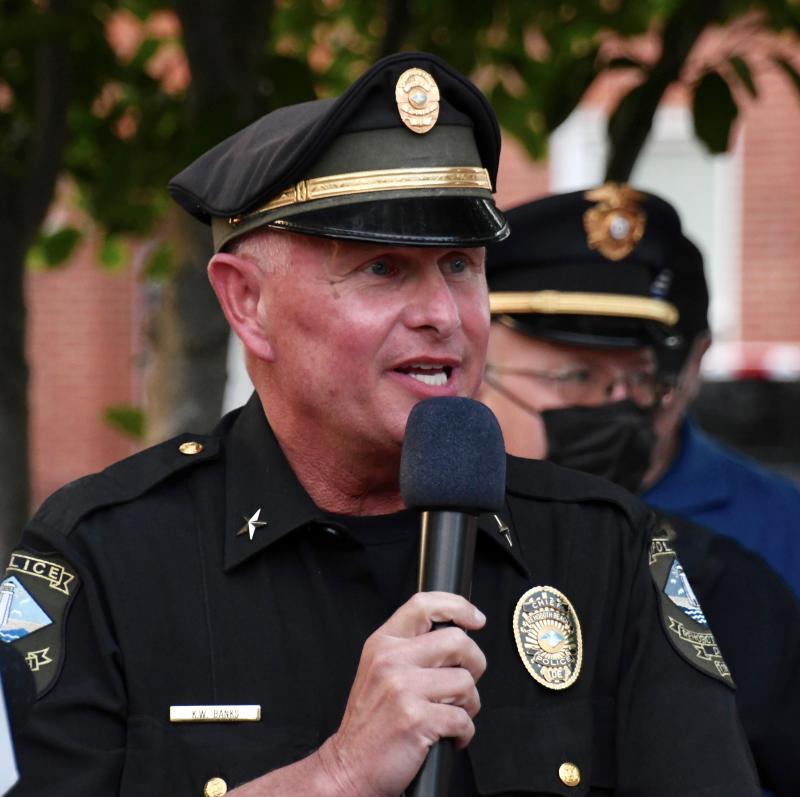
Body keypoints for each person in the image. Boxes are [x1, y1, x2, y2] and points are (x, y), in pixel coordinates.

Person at [2, 56, 759, 796]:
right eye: (383, 269)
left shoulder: (605, 550)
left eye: (461, 265)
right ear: (246, 303)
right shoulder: (103, 557)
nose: (441, 315)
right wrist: (337, 773)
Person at [480, 185, 800, 796]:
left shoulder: (730, 580)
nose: (617, 409)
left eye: (641, 381)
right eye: (575, 376)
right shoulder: (405, 545)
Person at [637, 238, 800, 599]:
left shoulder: (783, 524)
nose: (618, 399)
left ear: (695, 363)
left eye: (648, 378)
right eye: (574, 374)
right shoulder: (491, 505)